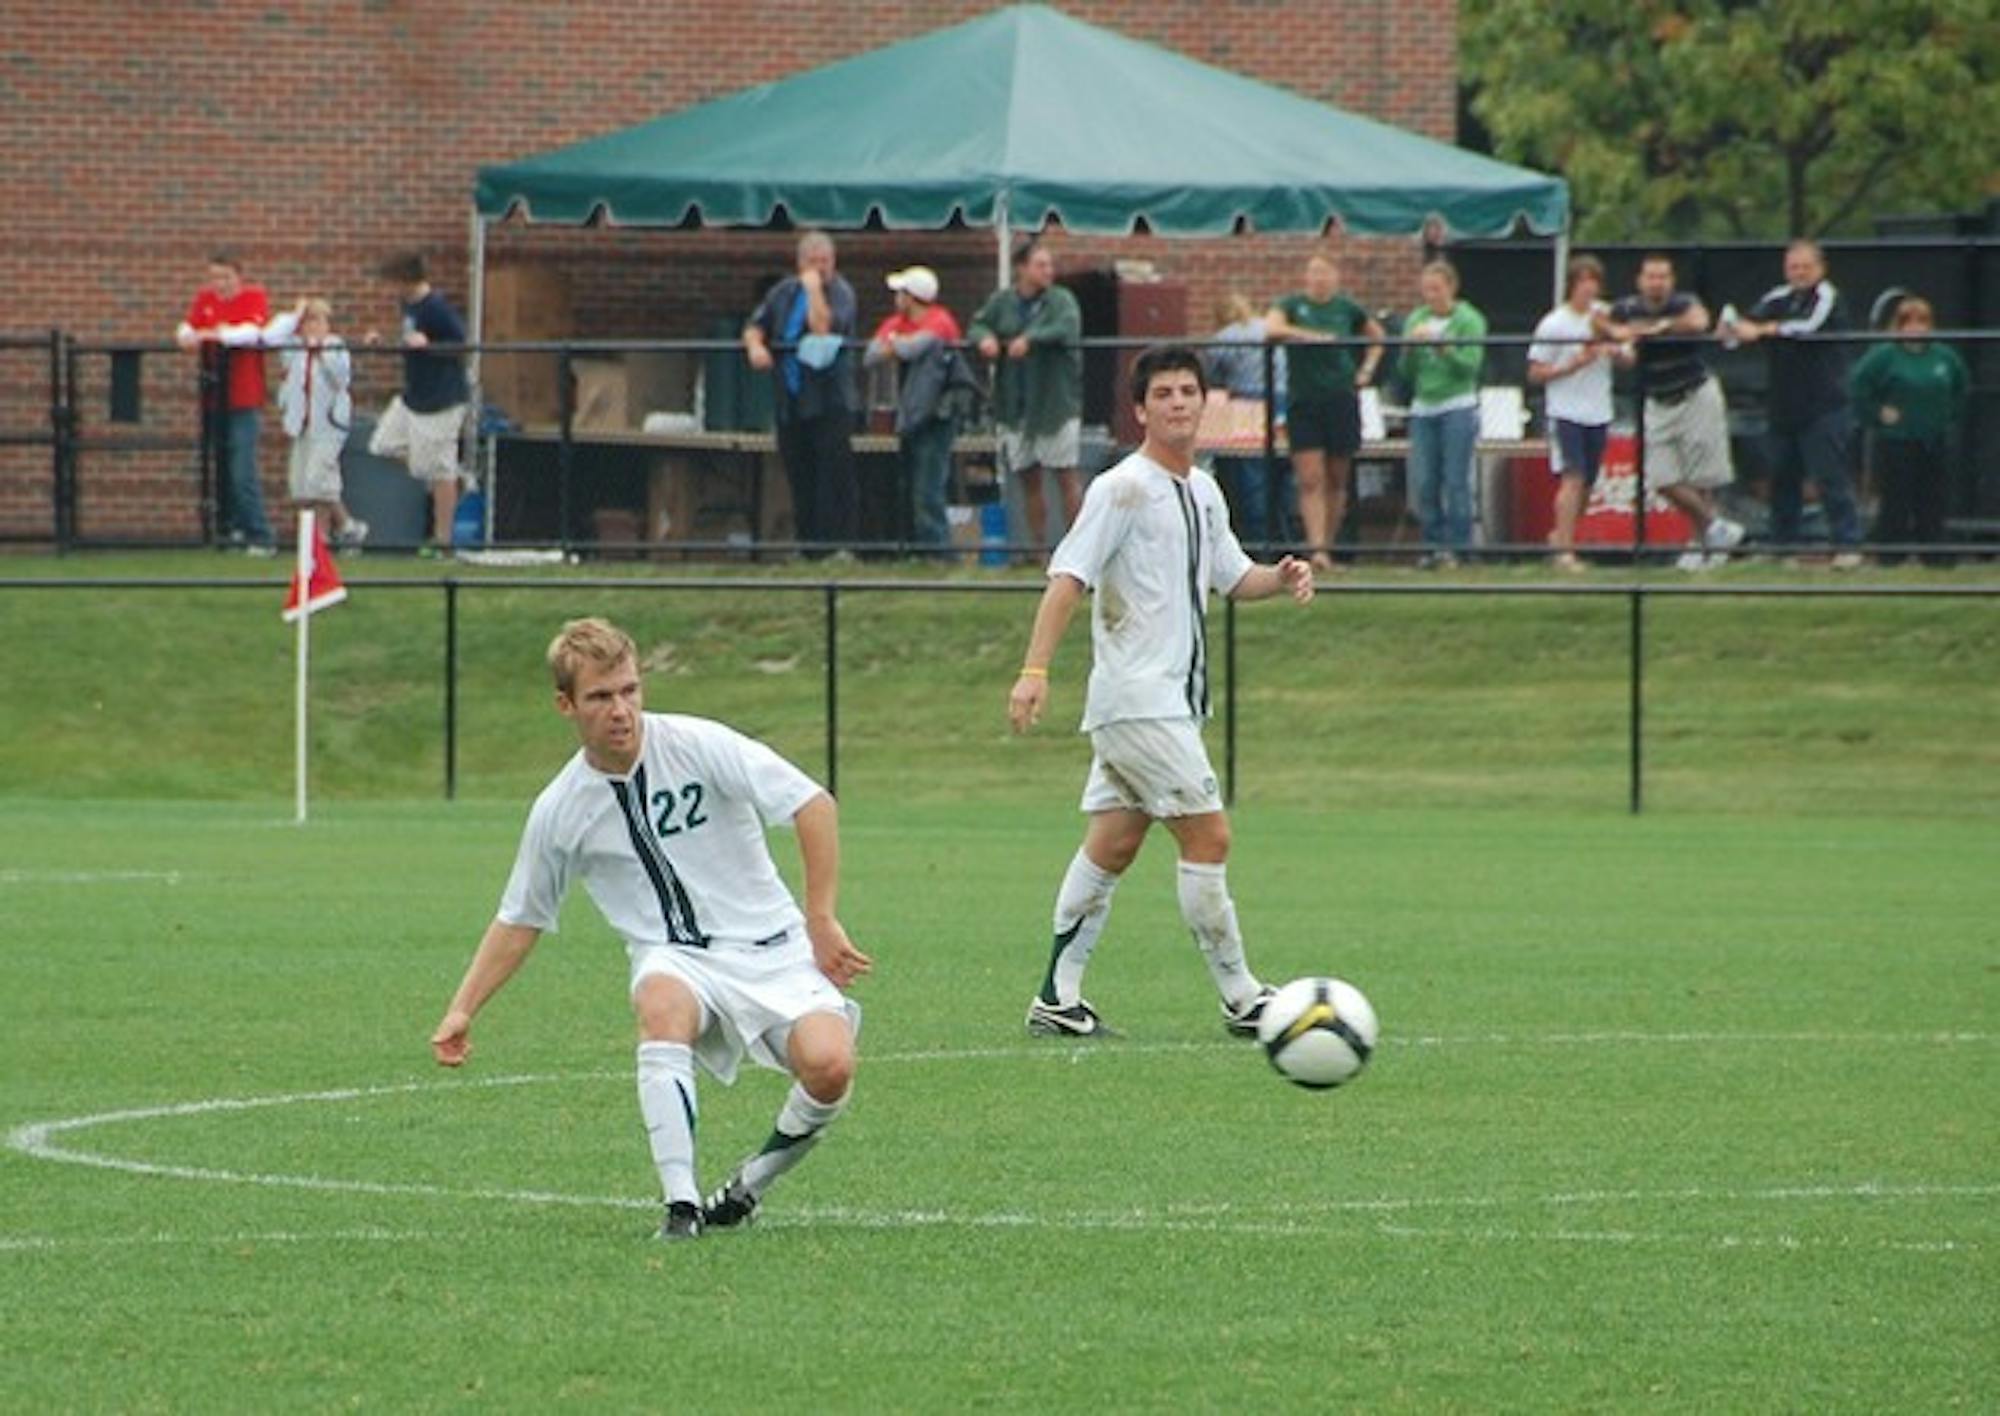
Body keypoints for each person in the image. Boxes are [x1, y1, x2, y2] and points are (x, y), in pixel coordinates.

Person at [429, 617, 872, 1241]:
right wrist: (462, 1009)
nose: (621, 710)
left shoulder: (697, 743)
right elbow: (520, 917)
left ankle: (748, 1186)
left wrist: (820, 918)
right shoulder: (561, 808)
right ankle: (681, 1207)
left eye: (630, 691)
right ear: (566, 705)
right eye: (600, 697)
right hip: (675, 958)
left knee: (830, 1066)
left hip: (774, 949)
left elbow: (811, 803)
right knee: (659, 1004)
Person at [1007, 345, 1315, 1039]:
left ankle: (1057, 995)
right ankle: (1242, 997)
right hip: (1138, 700)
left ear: (1204, 403)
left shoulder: (1205, 490)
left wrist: (1283, 574)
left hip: (1166, 704)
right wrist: (1034, 672)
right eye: (1164, 394)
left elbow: (1234, 578)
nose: (1178, 402)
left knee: (1114, 843)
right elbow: (1068, 578)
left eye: (1188, 391)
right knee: (1209, 833)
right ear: (1141, 410)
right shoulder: (1122, 488)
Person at [1597, 254, 1745, 571]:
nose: (1656, 283)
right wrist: (1617, 340)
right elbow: (1605, 325)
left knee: (1701, 477)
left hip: (1695, 394)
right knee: (1661, 477)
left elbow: (1699, 321)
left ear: (1671, 280)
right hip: (1657, 401)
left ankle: (1702, 546)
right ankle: (1716, 528)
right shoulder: (1625, 308)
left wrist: (1655, 328)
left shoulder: (1683, 302)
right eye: (1651, 277)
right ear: (1640, 280)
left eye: (1662, 277)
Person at [1727, 240, 1862, 568]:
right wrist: (1739, 327)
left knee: (1830, 477)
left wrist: (1765, 330)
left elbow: (1806, 328)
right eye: (1793, 267)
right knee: (1783, 478)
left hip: (1823, 406)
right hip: (1784, 406)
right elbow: (1742, 325)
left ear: (1820, 268)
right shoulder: (1777, 297)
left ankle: (1847, 544)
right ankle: (1782, 547)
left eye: (1805, 267)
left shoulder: (1827, 298)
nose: (1799, 274)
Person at [1265, 252, 1384, 571]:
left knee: (1336, 476)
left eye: (1325, 272)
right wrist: (1310, 337)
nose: (1319, 279)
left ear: (1336, 276)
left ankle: (1327, 548)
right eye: (1313, 272)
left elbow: (1377, 337)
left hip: (1341, 396)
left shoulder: (1347, 308)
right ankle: (1315, 548)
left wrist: (1367, 369)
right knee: (1310, 477)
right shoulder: (1291, 305)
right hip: (1303, 399)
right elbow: (1273, 329)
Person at [744, 231, 860, 554]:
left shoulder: (841, 293)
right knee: (799, 471)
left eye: (826, 262)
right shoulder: (782, 292)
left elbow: (824, 327)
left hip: (828, 399)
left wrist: (813, 290)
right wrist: (756, 346)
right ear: (800, 264)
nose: (820, 268)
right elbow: (756, 325)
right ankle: (807, 545)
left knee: (831, 475)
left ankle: (838, 547)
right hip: (790, 398)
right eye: (813, 262)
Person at [968, 240, 1084, 557]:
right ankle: (1038, 552)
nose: (1048, 271)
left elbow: (1067, 326)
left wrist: (1031, 339)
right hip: (1014, 405)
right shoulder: (1002, 301)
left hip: (1054, 405)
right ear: (1022, 268)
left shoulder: (1061, 300)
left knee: (1066, 477)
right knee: (1029, 479)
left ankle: (1081, 552)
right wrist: (986, 339)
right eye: (1040, 265)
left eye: (1050, 265)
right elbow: (977, 325)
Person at [1849, 296, 1970, 567]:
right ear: (1899, 325)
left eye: (1922, 322)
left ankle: (1935, 554)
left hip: (1934, 439)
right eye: (1909, 322)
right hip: (1896, 441)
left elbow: (1961, 388)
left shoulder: (1944, 356)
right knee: (1896, 498)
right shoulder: (1884, 356)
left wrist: (1947, 415)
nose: (1916, 328)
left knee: (1933, 498)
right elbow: (1858, 387)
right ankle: (1892, 554)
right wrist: (1878, 413)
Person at [1528, 255, 1627, 572]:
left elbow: (1629, 354)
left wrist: (1613, 347)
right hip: (1566, 409)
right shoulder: (1554, 323)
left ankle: (1561, 535)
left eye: (1593, 282)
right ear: (1572, 285)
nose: (1588, 288)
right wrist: (1573, 364)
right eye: (1582, 281)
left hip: (1598, 409)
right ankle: (1565, 552)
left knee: (1588, 484)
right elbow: (1535, 372)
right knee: (1573, 477)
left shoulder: (1606, 317)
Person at [367, 253, 470, 550]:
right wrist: (383, 341)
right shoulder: (407, 306)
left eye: (391, 283)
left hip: (441, 398)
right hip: (414, 395)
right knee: (383, 444)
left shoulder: (435, 308)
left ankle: (443, 540)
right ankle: (452, 477)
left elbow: (460, 344)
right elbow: (408, 340)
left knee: (439, 471)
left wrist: (430, 347)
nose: (389, 290)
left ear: (406, 280)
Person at [175, 252, 275, 555]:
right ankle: (230, 530)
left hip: (244, 398)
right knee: (220, 468)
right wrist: (189, 335)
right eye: (215, 277)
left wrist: (213, 333)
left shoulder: (254, 297)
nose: (220, 284)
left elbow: (251, 332)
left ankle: (261, 536)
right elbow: (185, 329)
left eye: (226, 277)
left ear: (238, 276)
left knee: (242, 468)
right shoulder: (205, 299)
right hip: (212, 398)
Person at [864, 265, 966, 553]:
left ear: (912, 297)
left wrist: (895, 344)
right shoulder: (897, 322)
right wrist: (898, 343)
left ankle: (940, 553)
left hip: (938, 415)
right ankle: (918, 548)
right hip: (911, 416)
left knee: (929, 488)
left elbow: (916, 348)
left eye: (901, 293)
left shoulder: (940, 320)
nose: (896, 298)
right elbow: (870, 355)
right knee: (910, 484)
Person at [1400, 261, 1488, 568]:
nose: (1431, 295)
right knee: (1425, 480)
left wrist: (1444, 349)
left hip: (1457, 406)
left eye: (1436, 289)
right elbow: (1405, 373)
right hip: (1423, 407)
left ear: (1451, 287)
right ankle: (1431, 546)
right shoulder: (1416, 319)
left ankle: (1460, 548)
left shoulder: (1469, 320)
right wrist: (1409, 350)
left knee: (1455, 479)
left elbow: (1471, 365)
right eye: (1426, 290)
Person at [263, 297, 366, 549]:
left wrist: (319, 350)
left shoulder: (335, 346)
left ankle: (330, 532)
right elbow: (271, 338)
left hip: (329, 424)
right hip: (301, 423)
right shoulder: (294, 349)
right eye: (307, 321)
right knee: (301, 485)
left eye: (317, 321)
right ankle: (340, 530)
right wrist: (293, 317)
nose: (312, 327)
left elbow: (340, 377)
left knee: (318, 478)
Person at [1203, 293, 1292, 545]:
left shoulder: (1225, 337)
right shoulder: (1269, 327)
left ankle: (1257, 540)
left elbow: (1210, 375)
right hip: (1284, 398)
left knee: (1252, 473)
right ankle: (1286, 537)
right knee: (1282, 470)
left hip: (1247, 401)